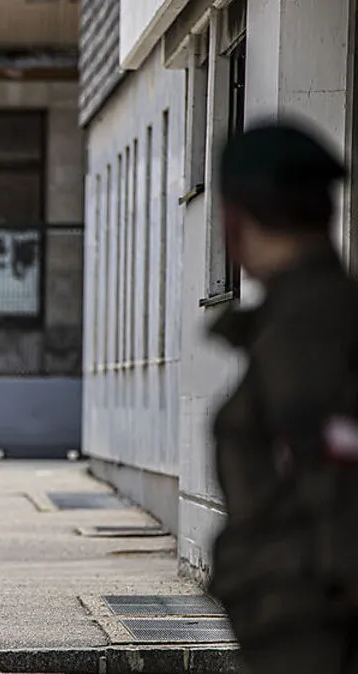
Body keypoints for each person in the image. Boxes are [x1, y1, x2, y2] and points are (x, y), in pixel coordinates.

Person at [207, 121, 358, 674]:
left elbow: (335, 501)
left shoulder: (307, 332)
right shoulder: (313, 316)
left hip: (316, 641)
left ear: (233, 220)